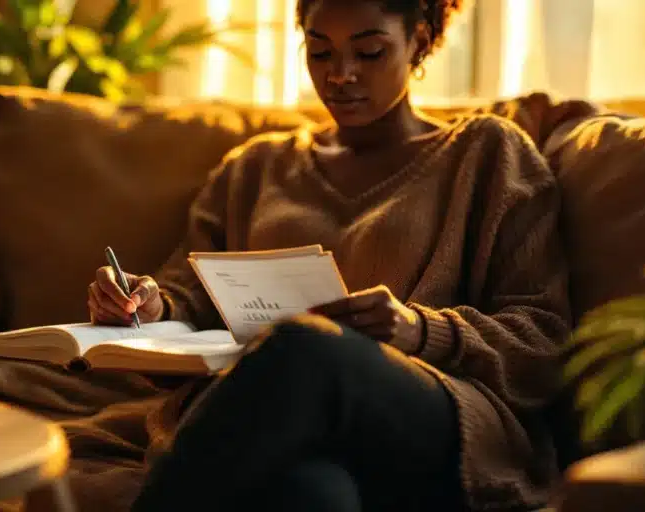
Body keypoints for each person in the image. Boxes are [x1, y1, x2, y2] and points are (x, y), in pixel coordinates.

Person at [87, 0, 571, 510]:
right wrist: (150, 306)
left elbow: (542, 337)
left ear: (421, 41)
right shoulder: (256, 167)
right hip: (281, 425)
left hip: (430, 416)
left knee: (306, 345)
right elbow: (190, 295)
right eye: (320, 53)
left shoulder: (487, 153)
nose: (341, 75)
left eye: (369, 52)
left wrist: (419, 330)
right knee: (312, 492)